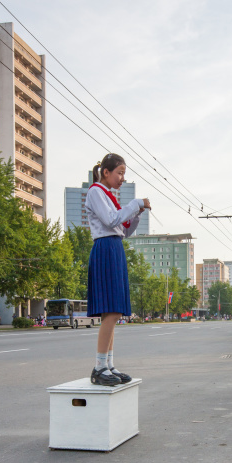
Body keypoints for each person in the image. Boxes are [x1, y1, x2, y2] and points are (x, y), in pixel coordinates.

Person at [86, 153, 151, 386]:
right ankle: (99, 367)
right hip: (105, 248)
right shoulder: (95, 192)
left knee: (113, 312)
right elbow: (112, 220)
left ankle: (108, 364)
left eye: (124, 173)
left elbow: (124, 230)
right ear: (106, 172)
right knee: (111, 311)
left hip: (114, 247)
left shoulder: (107, 195)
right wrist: (135, 204)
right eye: (120, 173)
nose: (122, 178)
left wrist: (136, 214)